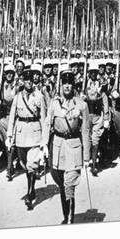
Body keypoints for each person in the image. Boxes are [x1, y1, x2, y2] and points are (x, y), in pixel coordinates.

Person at [45, 66, 90, 224]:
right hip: (57, 147)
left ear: (74, 85)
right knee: (62, 184)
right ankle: (66, 216)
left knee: (69, 183)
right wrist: (44, 145)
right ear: (61, 84)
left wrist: (87, 157)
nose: (67, 86)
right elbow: (47, 123)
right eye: (65, 83)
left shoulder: (82, 105)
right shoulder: (54, 103)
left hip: (73, 146)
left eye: (70, 83)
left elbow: (85, 131)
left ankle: (70, 220)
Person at [7, 68, 47, 210]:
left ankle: (30, 193)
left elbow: (43, 118)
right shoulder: (17, 97)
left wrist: (45, 139)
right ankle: (32, 188)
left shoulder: (39, 96)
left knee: (31, 164)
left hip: (35, 132)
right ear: (23, 81)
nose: (29, 83)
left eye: (31, 80)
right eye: (26, 80)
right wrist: (9, 135)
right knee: (24, 164)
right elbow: (12, 116)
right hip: (21, 133)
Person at [83, 60, 109, 176]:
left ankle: (94, 164)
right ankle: (86, 160)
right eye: (91, 73)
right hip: (87, 115)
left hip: (98, 115)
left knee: (95, 140)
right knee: (86, 139)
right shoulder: (83, 84)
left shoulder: (101, 85)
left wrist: (107, 117)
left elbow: (105, 100)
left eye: (95, 72)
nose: (93, 74)